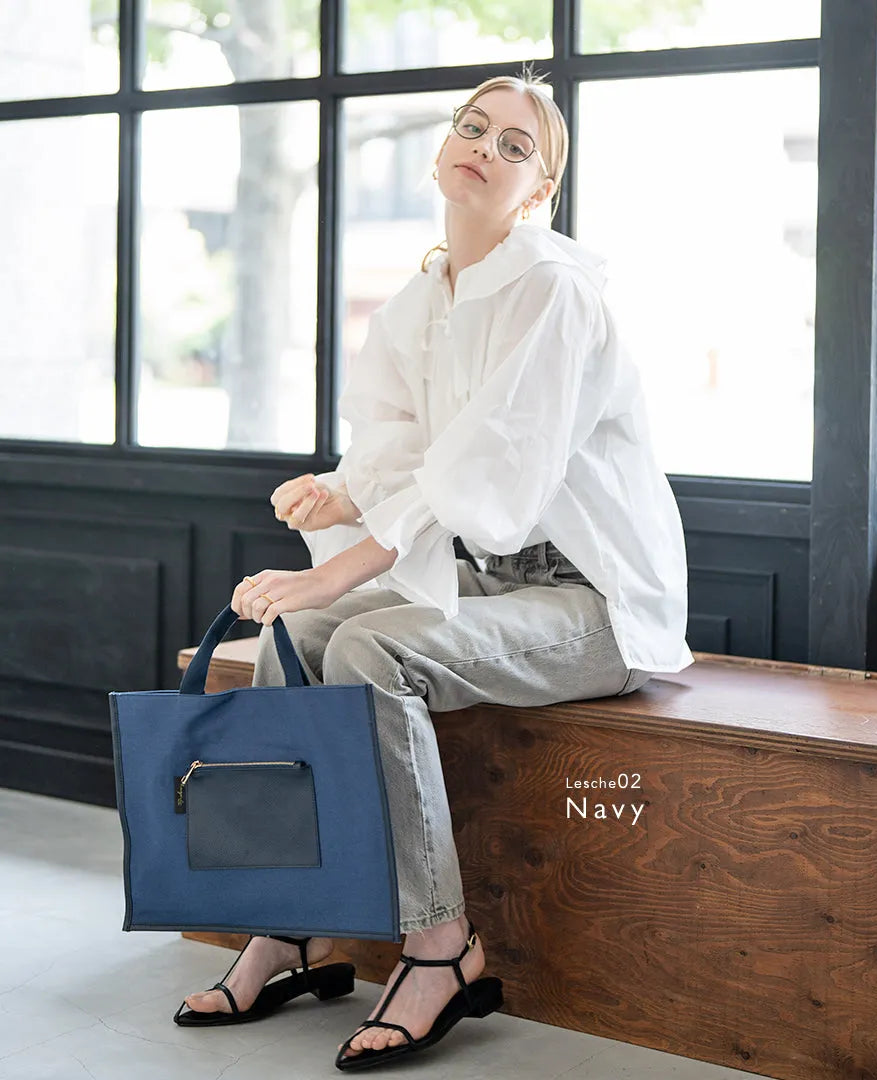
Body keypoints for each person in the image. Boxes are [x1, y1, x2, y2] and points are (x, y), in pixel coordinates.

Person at [175, 67, 694, 1072]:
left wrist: (338, 571)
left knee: (364, 641)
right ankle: (292, 927)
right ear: (439, 145)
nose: (486, 149)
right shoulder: (425, 295)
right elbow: (401, 440)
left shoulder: (554, 290)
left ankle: (441, 946)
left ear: (540, 189)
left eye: (516, 146)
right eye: (475, 127)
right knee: (294, 642)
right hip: (490, 584)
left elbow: (484, 468)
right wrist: (342, 493)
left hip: (592, 600)